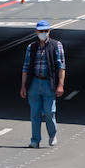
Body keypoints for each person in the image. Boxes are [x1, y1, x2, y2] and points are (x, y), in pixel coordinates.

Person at [20, 20, 66, 148]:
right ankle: (35, 140)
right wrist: (23, 86)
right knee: (34, 113)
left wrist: (60, 85)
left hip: (48, 83)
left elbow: (61, 66)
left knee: (49, 112)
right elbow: (25, 67)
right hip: (34, 82)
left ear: (49, 31)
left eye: (46, 31)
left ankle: (52, 134)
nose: (43, 33)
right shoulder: (31, 47)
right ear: (36, 32)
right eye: (41, 31)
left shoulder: (56, 45)